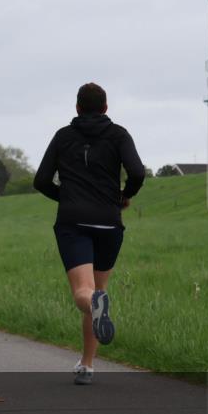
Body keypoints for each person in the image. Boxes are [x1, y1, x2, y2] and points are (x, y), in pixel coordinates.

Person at [33, 82, 145, 386]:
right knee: (98, 290)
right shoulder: (119, 134)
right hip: (109, 221)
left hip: (74, 222)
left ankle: (90, 350)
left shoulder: (63, 136)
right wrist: (123, 196)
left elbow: (41, 180)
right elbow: (136, 172)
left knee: (86, 294)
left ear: (77, 108)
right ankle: (87, 364)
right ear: (106, 108)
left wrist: (65, 198)